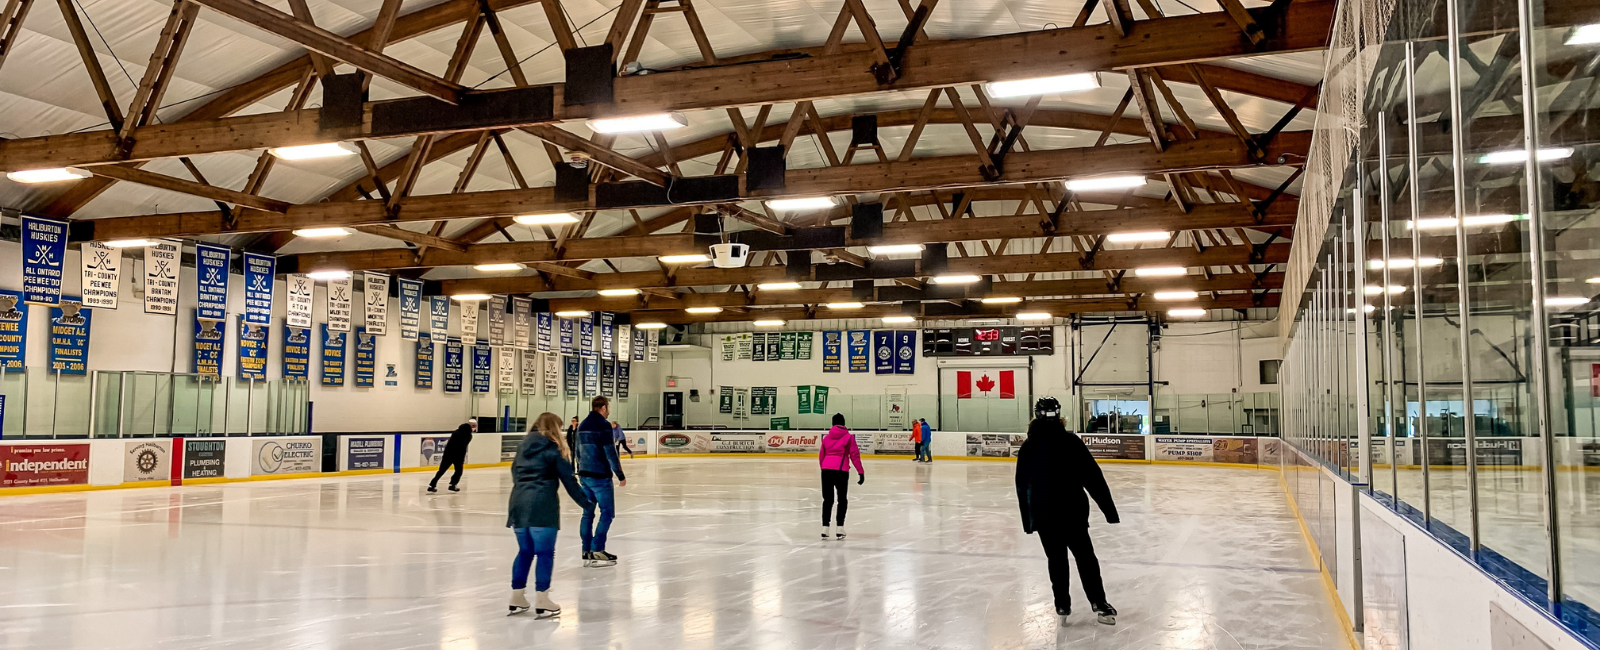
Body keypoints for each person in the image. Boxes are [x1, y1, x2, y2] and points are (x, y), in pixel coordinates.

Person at [1015, 397, 1119, 625]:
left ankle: (1062, 603)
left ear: (1036, 415)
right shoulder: (1071, 442)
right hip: (1073, 513)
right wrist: (1109, 511)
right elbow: (1094, 478)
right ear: (1059, 415)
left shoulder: (1029, 446)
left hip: (1044, 515)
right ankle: (1099, 603)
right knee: (1086, 559)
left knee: (1057, 559)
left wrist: (1028, 521)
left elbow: (1022, 487)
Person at [506, 413, 593, 617]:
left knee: (525, 551)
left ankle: (517, 596)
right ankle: (542, 599)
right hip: (542, 504)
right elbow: (569, 481)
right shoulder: (554, 449)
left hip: (518, 503)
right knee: (544, 552)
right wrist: (586, 504)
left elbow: (514, 474)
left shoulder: (522, 447)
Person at [575, 396, 627, 567]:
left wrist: (580, 470)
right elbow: (610, 452)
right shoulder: (603, 425)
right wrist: (619, 474)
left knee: (587, 513)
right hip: (600, 478)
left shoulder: (582, 424)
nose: (608, 410)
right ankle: (597, 548)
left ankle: (586, 550)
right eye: (608, 406)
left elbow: (577, 451)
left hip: (584, 476)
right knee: (607, 513)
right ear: (603, 407)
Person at [818, 413, 864, 540]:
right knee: (842, 500)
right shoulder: (849, 438)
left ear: (832, 423)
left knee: (827, 500)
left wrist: (824, 468)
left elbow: (821, 456)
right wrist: (860, 472)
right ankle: (839, 528)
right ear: (844, 423)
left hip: (826, 470)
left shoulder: (826, 438)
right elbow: (854, 455)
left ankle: (825, 528)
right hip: (841, 470)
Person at [428, 418, 475, 493]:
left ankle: (432, 485)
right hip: (458, 457)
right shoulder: (468, 436)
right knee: (458, 471)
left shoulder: (455, 432)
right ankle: (452, 485)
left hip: (448, 455)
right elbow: (463, 446)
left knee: (441, 471)